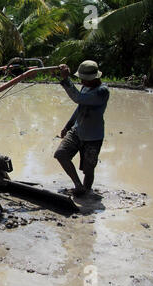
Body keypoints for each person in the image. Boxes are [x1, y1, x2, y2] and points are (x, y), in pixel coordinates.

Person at [54, 60, 110, 196]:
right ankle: (78, 185)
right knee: (61, 154)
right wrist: (68, 125)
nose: (82, 82)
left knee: (88, 169)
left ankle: (86, 190)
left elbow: (79, 98)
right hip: (77, 131)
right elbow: (80, 107)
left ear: (95, 77)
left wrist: (66, 79)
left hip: (93, 136)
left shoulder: (102, 91)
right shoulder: (86, 87)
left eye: (85, 79)